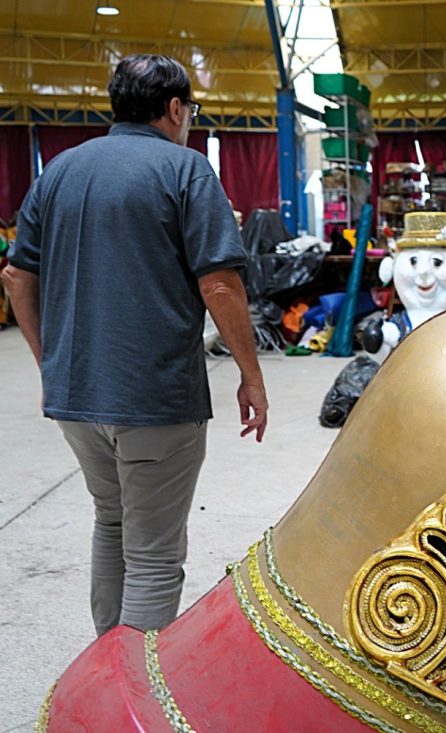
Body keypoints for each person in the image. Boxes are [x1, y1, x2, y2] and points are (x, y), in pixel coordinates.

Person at [1, 54, 268, 636]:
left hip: (76, 398)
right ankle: (128, 705)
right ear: (175, 109)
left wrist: (51, 361)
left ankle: (103, 678)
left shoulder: (60, 172)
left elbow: (16, 276)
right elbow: (220, 282)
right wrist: (251, 373)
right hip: (154, 398)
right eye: (189, 111)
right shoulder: (186, 170)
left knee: (113, 525)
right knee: (151, 555)